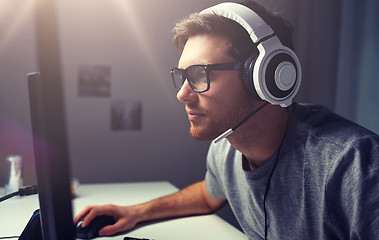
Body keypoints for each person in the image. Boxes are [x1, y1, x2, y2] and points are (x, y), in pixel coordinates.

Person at [74, 1, 379, 239]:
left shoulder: (355, 164)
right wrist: (135, 212)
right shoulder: (226, 147)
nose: (182, 94)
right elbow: (208, 195)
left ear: (267, 77)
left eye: (199, 75)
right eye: (181, 76)